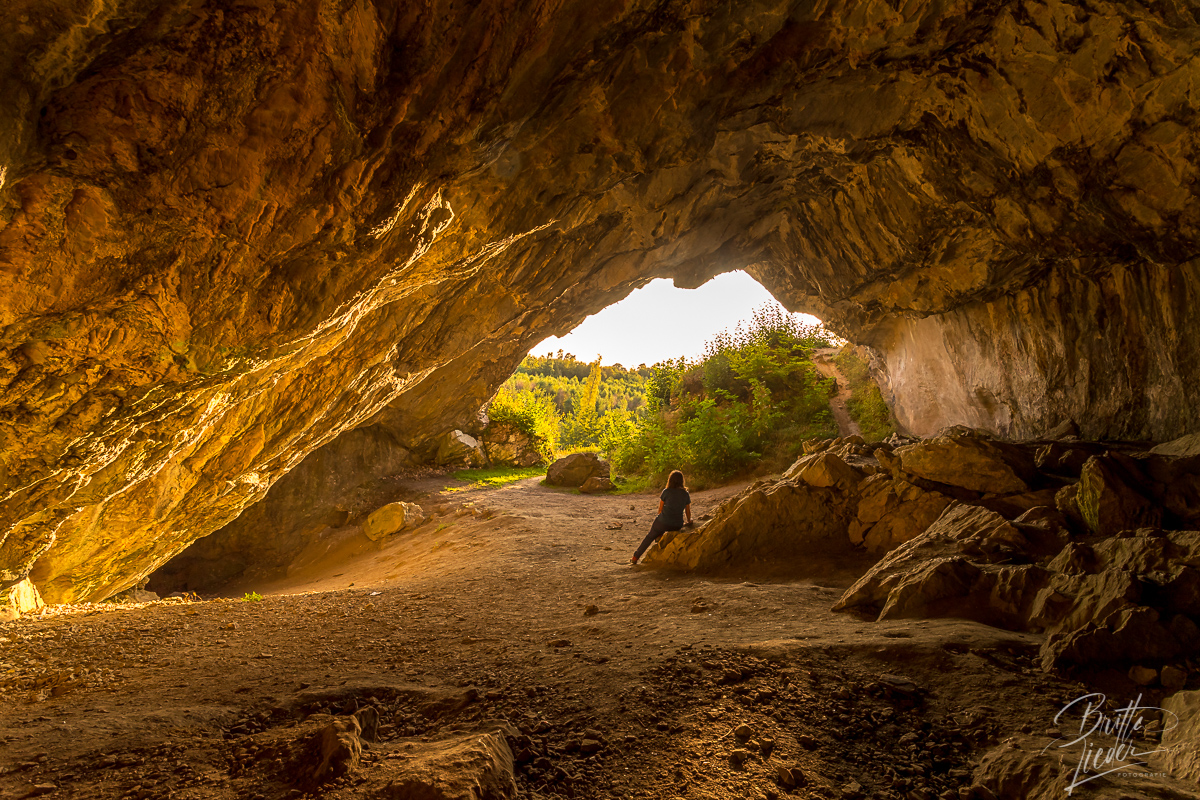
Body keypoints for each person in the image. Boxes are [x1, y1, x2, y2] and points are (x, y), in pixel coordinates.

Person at [630, 470, 692, 565]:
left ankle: (635, 557)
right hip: (677, 524)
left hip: (663, 523)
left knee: (650, 536)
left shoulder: (666, 492)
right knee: (665, 522)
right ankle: (659, 535)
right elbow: (687, 511)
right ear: (681, 481)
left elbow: (660, 510)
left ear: (670, 480)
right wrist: (689, 520)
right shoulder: (685, 494)